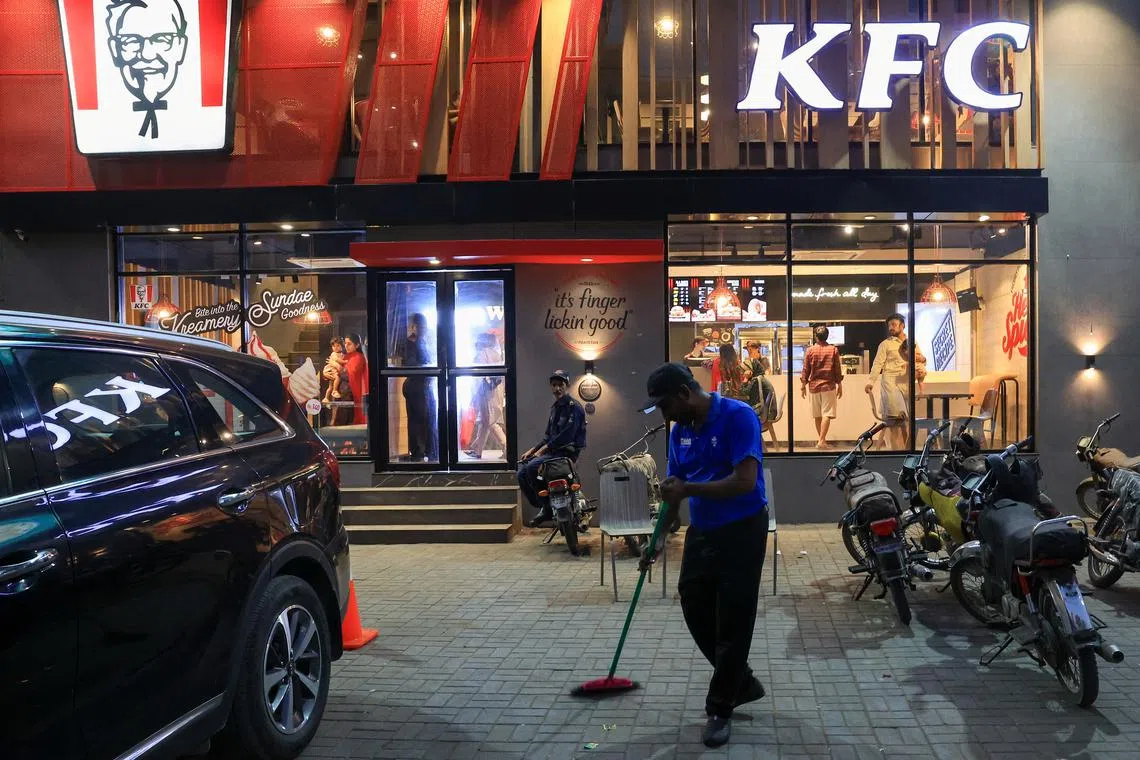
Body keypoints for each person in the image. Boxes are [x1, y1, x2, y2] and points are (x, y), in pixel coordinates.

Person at [639, 362, 768, 748]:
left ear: (684, 393)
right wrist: (658, 539)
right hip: (705, 530)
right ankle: (739, 681)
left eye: (665, 406)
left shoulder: (738, 417)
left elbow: (745, 482)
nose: (664, 416)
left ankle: (720, 707)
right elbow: (675, 492)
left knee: (733, 619)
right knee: (694, 604)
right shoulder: (679, 433)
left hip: (743, 528)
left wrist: (688, 491)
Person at [518, 370, 587, 526]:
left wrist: (542, 451)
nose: (557, 389)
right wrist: (532, 451)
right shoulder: (555, 408)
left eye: (560, 385)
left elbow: (567, 435)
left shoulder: (574, 407)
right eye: (554, 385)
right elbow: (548, 435)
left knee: (531, 468)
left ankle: (547, 509)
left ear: (567, 386)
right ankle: (543, 504)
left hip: (566, 452)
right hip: (553, 452)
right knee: (521, 472)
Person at [865, 313, 909, 450]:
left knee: (906, 421)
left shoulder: (910, 342)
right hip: (890, 384)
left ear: (902, 326)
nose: (891, 327)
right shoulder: (885, 344)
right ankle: (896, 452)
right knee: (894, 421)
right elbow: (877, 364)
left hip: (906, 384)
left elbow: (920, 358)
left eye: (894, 325)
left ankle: (907, 450)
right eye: (889, 325)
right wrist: (871, 382)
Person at [397, 314, 438, 461]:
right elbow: (411, 363)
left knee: (427, 419)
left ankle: (428, 451)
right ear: (413, 327)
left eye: (424, 326)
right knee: (420, 420)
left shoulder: (424, 342)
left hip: (424, 385)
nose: (424, 329)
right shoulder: (410, 343)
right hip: (416, 385)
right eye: (421, 326)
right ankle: (420, 452)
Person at [801, 326, 844, 449]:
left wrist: (803, 385)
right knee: (827, 413)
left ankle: (821, 440)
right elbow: (837, 369)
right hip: (828, 386)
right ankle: (821, 441)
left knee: (817, 415)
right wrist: (839, 384)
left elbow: (805, 369)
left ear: (816, 336)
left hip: (814, 386)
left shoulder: (810, 350)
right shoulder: (833, 350)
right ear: (827, 336)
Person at [466, 333, 507, 459]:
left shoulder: (481, 355)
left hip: (486, 392)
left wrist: (474, 396)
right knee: (485, 421)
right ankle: (477, 449)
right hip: (495, 393)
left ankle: (506, 446)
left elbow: (479, 377)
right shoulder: (496, 355)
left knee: (489, 421)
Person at [343, 333, 369, 426]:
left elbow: (350, 372)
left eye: (349, 343)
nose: (346, 346)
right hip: (348, 391)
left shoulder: (358, 357)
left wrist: (336, 365)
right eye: (345, 343)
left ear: (357, 345)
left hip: (356, 391)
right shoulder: (347, 356)